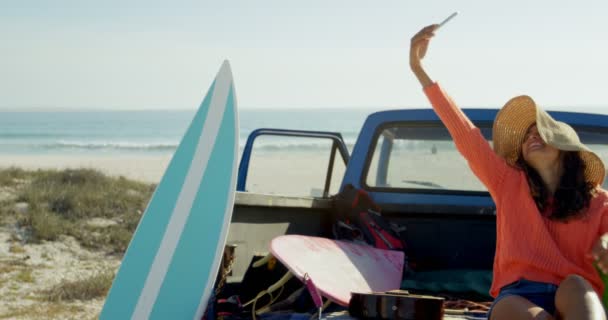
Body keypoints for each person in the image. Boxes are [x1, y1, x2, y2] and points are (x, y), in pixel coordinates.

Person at [409, 24, 608, 320]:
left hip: (573, 289)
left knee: (578, 286)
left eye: (540, 129)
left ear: (566, 147)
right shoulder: (508, 183)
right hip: (517, 294)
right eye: (526, 135)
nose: (531, 136)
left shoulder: (599, 201)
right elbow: (466, 135)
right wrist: (418, 68)